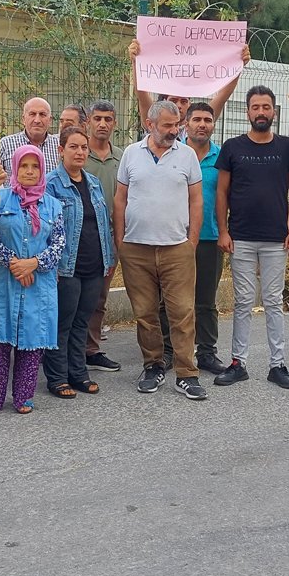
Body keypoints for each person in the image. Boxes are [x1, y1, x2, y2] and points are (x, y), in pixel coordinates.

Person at [0, 145, 64, 414]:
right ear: (14, 169)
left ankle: (24, 397)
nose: (29, 171)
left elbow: (58, 245)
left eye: (35, 166)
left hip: (38, 284)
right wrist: (14, 263)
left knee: (31, 337)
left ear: (42, 170)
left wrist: (33, 264)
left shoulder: (53, 205)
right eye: (23, 166)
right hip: (1, 281)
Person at [114, 99, 207, 400]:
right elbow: (120, 199)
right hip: (136, 248)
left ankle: (186, 374)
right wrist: (121, 240)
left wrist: (191, 241)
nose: (174, 130)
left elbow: (196, 200)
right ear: (150, 125)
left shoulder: (187, 155)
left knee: (182, 312)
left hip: (176, 248)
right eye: (167, 125)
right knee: (144, 313)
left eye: (177, 124)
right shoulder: (131, 154)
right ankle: (153, 366)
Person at [214, 86, 289, 389]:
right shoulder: (232, 147)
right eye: (255, 107)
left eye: (266, 106)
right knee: (243, 301)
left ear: (274, 111)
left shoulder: (288, 147)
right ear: (247, 111)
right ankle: (238, 363)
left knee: (274, 301)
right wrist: (223, 231)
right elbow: (221, 192)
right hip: (241, 237)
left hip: (277, 239)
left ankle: (277, 365)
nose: (261, 112)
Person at [44, 127, 115, 398]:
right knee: (63, 322)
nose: (80, 152)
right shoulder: (51, 184)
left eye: (84, 147)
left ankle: (78, 374)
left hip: (94, 265)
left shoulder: (94, 183)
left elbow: (103, 225)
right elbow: (46, 227)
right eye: (73, 147)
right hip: (66, 267)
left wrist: (107, 258)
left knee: (82, 322)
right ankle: (58, 377)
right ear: (61, 150)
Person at [158, 102, 225, 375]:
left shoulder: (222, 157)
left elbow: (227, 197)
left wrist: (225, 232)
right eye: (196, 119)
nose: (202, 124)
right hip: (173, 238)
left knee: (205, 301)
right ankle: (168, 351)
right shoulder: (172, 152)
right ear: (185, 123)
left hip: (209, 238)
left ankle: (207, 352)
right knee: (169, 299)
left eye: (207, 120)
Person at [129, 40, 251, 138]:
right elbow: (141, 94)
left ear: (190, 104)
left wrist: (237, 65)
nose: (179, 105)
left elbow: (222, 97)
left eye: (183, 101)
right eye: (173, 101)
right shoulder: (154, 123)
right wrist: (136, 61)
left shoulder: (197, 123)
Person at [83, 100, 124, 372]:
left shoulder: (122, 157)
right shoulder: (77, 153)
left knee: (99, 297)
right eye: (97, 118)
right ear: (87, 122)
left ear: (114, 124)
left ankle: (91, 349)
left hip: (110, 237)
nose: (102, 124)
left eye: (108, 119)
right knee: (75, 296)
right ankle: (66, 350)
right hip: (81, 236)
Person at [0, 97, 60, 173]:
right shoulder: (5, 144)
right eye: (32, 114)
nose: (37, 120)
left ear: (50, 120)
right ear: (24, 119)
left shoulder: (59, 146)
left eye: (42, 114)